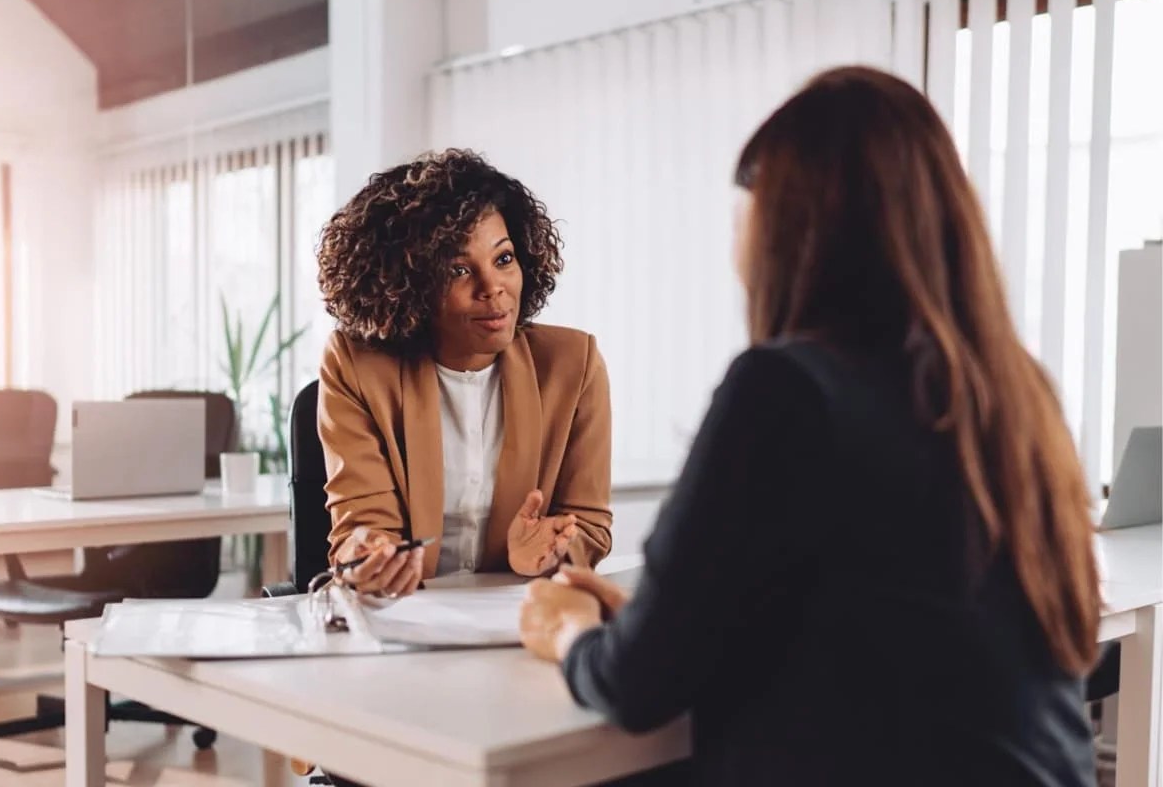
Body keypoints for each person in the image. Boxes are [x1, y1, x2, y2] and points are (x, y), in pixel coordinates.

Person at [520, 67, 1101, 786]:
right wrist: (649, 614)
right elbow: (873, 619)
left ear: (789, 226)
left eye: (744, 212)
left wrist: (568, 631)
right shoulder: (1015, 387)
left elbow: (638, 686)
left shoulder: (786, 389)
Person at [315, 148, 613, 597]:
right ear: (408, 284)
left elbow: (588, 525)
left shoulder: (573, 364)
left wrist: (552, 550)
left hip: (515, 620)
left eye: (503, 259)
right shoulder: (356, 366)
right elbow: (361, 523)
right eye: (458, 269)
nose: (491, 287)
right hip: (406, 618)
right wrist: (369, 553)